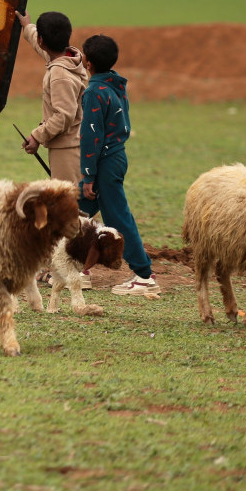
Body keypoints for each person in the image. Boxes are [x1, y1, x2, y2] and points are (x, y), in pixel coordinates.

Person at [78, 34, 156, 296]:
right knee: (77, 212)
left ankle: (144, 275)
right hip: (116, 157)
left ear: (87, 63)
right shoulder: (115, 85)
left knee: (118, 218)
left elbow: (91, 136)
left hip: (104, 163)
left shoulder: (93, 93)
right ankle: (77, 270)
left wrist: (89, 175)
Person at [16, 10, 88, 184]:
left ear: (42, 41)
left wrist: (37, 136)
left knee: (71, 206)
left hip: (67, 150)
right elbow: (42, 47)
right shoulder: (70, 57)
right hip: (76, 143)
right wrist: (27, 26)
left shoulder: (60, 75)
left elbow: (64, 115)